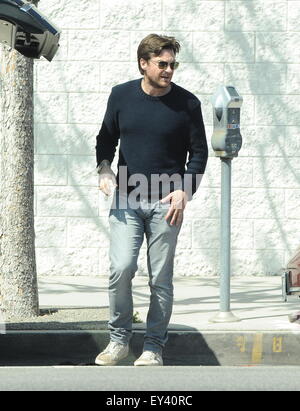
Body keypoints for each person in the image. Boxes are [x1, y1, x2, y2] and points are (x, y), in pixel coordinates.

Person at [94, 33, 208, 366]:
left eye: (173, 64)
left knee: (160, 277)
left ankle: (153, 347)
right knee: (121, 268)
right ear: (144, 63)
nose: (169, 70)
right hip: (126, 198)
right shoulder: (121, 96)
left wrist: (184, 190)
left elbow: (198, 153)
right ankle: (118, 340)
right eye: (162, 64)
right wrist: (104, 170)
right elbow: (105, 141)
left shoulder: (188, 104)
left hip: (166, 205)